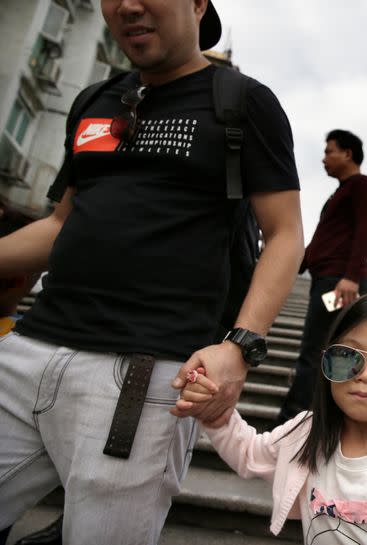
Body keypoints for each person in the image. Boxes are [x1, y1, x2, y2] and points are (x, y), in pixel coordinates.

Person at [0, 2, 305, 544]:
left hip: (141, 377)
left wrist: (240, 346)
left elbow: (284, 235)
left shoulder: (243, 103)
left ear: (197, 3)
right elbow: (61, 223)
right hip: (26, 351)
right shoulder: (95, 100)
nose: (128, 5)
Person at [180, 292, 367, 544]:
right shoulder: (305, 432)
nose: (365, 377)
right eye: (349, 356)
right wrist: (216, 412)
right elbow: (249, 453)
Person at [277, 130, 367, 425]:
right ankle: (304, 420)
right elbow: (323, 239)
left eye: (329, 151)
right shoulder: (340, 192)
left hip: (338, 282)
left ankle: (290, 423)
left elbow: (365, 232)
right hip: (327, 278)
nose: (324, 158)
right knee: (319, 350)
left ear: (347, 154)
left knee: (316, 351)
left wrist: (350, 277)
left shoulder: (363, 186)